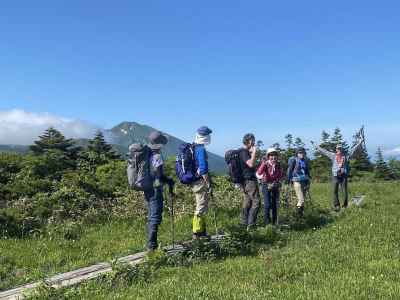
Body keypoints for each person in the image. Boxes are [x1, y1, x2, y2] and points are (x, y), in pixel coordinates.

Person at [144, 131, 174, 250]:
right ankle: (152, 246)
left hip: (147, 188)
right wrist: (169, 181)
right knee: (155, 216)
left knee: (151, 214)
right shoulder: (157, 156)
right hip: (155, 189)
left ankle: (152, 244)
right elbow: (158, 175)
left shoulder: (147, 154)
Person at [311, 140, 363, 211]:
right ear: (336, 149)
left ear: (342, 149)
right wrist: (316, 145)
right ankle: (337, 205)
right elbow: (324, 151)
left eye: (340, 148)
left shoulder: (346, 156)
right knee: (334, 190)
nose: (339, 150)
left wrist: (359, 142)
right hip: (335, 175)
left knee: (344, 191)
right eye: (338, 149)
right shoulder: (333, 155)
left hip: (343, 175)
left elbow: (353, 149)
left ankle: (345, 205)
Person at [191, 126, 213, 239]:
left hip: (195, 181)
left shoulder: (193, 147)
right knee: (200, 207)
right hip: (200, 182)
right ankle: (197, 233)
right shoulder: (200, 149)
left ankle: (202, 231)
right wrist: (208, 183)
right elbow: (203, 169)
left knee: (201, 205)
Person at [239, 133, 261, 229]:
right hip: (249, 181)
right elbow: (251, 164)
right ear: (250, 141)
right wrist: (255, 151)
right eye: (253, 140)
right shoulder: (243, 152)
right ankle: (251, 224)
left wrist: (251, 153)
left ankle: (244, 223)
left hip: (244, 181)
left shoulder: (242, 152)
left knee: (247, 202)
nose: (254, 143)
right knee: (256, 201)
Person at [257, 148, 284, 225]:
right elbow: (259, 172)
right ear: (268, 157)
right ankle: (267, 222)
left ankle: (274, 222)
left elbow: (280, 175)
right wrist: (263, 163)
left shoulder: (278, 165)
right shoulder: (266, 164)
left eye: (275, 156)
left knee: (275, 204)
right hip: (266, 184)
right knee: (267, 205)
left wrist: (277, 181)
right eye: (271, 156)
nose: (273, 158)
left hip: (275, 185)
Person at [287, 147, 311, 216]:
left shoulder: (305, 161)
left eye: (303, 152)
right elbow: (290, 170)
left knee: (302, 200)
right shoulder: (294, 160)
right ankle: (298, 215)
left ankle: (301, 215)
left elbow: (307, 171)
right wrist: (288, 180)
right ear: (297, 153)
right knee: (301, 199)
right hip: (296, 181)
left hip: (304, 181)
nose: (302, 154)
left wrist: (308, 178)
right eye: (300, 153)